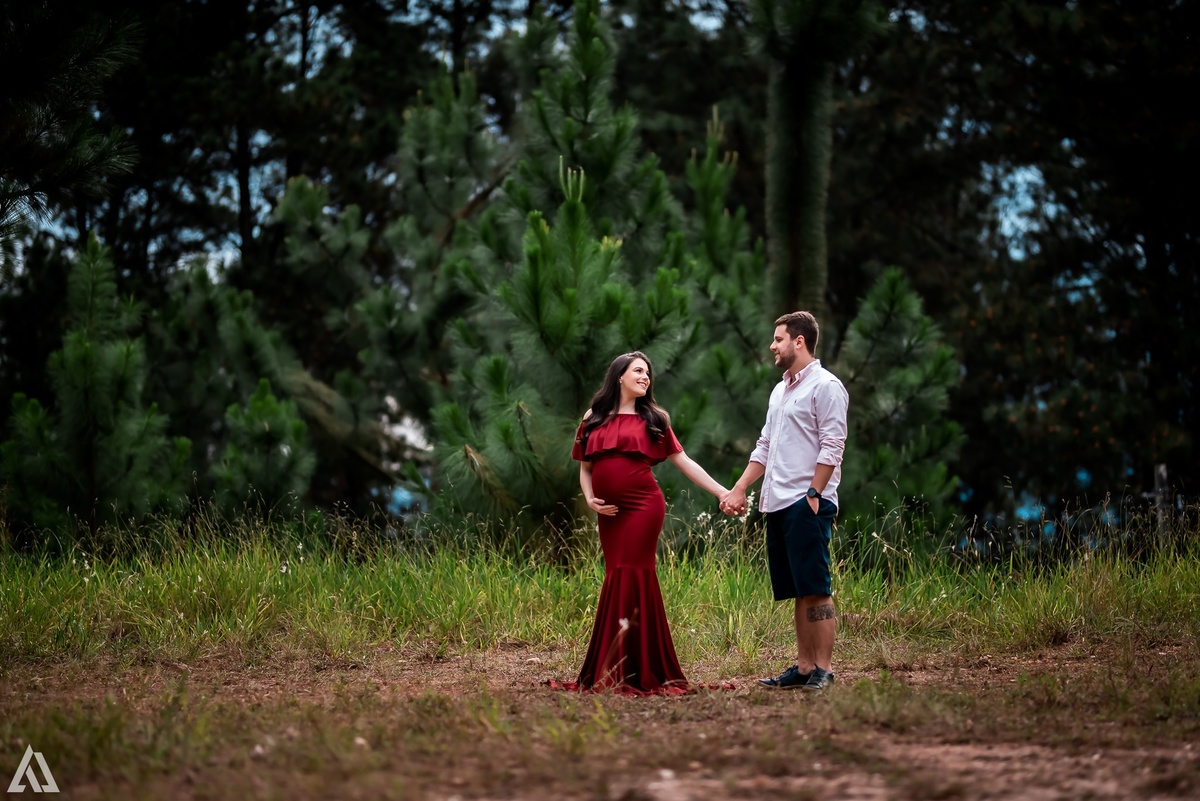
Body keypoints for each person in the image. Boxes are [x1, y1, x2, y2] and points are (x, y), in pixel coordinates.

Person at [563, 350, 728, 695]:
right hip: (609, 513)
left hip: (643, 507)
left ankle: (640, 666)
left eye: (648, 373)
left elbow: (685, 462)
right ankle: (611, 665)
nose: (645, 377)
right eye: (638, 371)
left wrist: (722, 491)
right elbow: (585, 466)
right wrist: (590, 498)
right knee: (615, 574)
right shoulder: (593, 417)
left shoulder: (654, 418)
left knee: (633, 573)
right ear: (619, 375)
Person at [719, 312, 849, 691]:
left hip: (806, 502)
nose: (772, 346)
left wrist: (814, 494)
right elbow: (765, 445)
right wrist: (740, 487)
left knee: (816, 587)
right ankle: (804, 667)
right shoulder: (781, 390)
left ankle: (823, 668)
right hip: (776, 503)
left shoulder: (826, 386)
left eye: (778, 339)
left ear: (799, 341)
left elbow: (833, 444)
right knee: (797, 588)